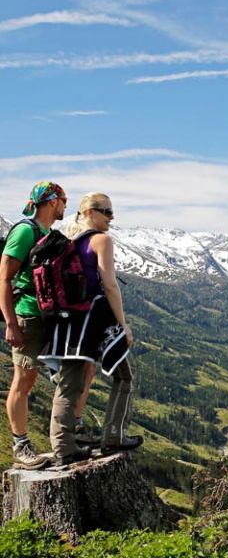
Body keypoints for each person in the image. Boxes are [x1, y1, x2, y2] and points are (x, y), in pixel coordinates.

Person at [40, 192, 141, 466]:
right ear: (89, 213)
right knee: (115, 378)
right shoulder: (101, 240)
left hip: (67, 324)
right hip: (89, 324)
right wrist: (123, 325)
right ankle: (79, 445)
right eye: (105, 211)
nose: (111, 217)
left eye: (111, 211)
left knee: (72, 383)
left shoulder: (72, 240)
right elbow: (109, 285)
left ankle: (77, 441)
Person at [1, 182, 68, 469]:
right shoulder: (26, 231)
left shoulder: (48, 234)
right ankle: (20, 445)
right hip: (27, 316)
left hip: (48, 317)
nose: (66, 204)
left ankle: (67, 439)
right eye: (64, 199)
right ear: (52, 201)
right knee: (24, 382)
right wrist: (11, 323)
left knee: (66, 375)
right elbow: (4, 277)